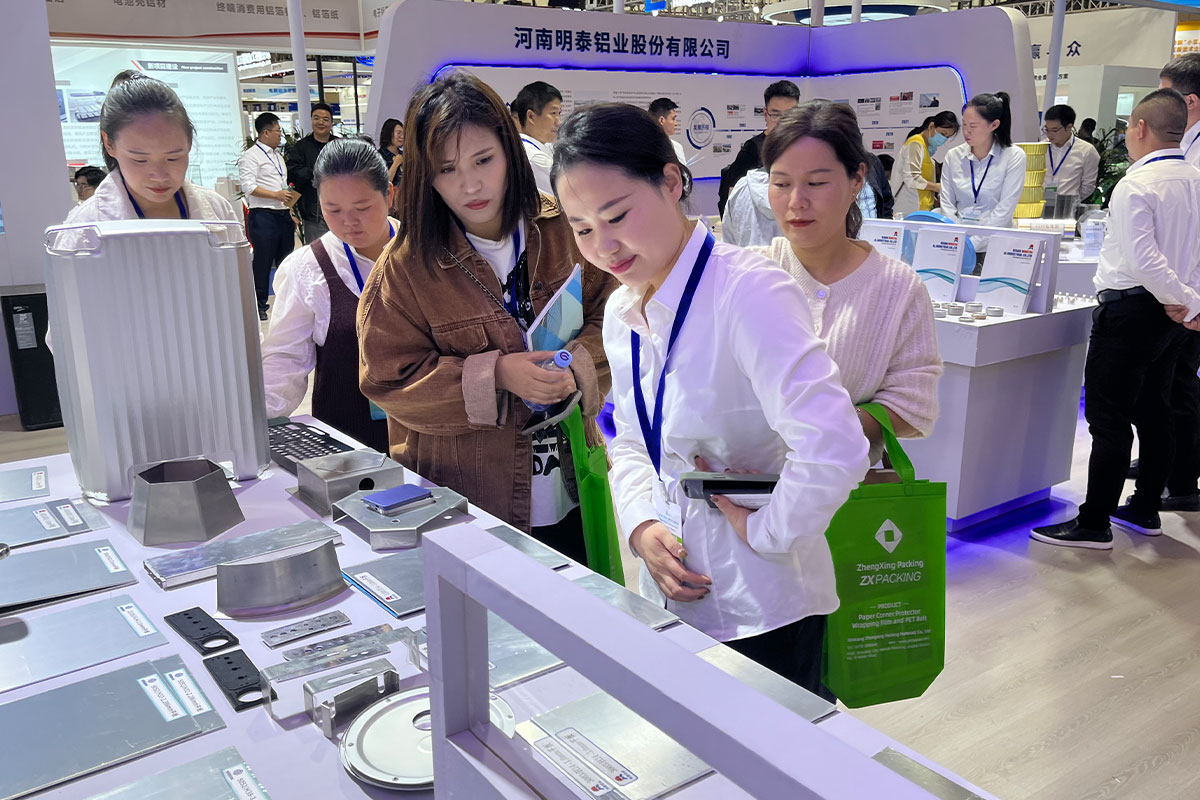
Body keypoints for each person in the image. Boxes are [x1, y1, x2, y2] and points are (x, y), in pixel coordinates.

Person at [551, 102, 869, 696]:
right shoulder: (622, 311)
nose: (604, 245)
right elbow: (630, 439)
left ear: (672, 182)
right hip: (669, 590)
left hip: (763, 605)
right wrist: (642, 525)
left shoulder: (748, 291)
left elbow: (835, 446)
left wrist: (768, 533)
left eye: (617, 215)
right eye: (583, 228)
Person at [358, 72, 617, 563]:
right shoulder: (406, 267)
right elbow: (388, 382)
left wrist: (577, 364)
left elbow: (617, 314)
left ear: (509, 151)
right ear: (425, 174)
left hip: (575, 481)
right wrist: (494, 375)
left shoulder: (561, 228)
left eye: (484, 160)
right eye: (447, 168)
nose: (471, 184)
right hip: (470, 497)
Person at [1032, 89, 1200, 549]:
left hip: (1131, 311)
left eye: (1128, 128)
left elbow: (1145, 261)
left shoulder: (1137, 184)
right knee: (1155, 411)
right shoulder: (1194, 178)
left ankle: (1093, 522)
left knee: (1109, 418)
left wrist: (1183, 300)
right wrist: (1190, 303)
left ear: (1140, 128)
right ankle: (1144, 508)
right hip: (1172, 316)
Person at [751, 101, 941, 457]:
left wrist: (831, 427)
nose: (797, 201)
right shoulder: (750, 274)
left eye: (816, 183)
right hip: (741, 487)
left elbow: (914, 406)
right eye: (781, 183)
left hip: (845, 486)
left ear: (856, 181)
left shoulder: (898, 288)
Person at [261, 138, 396, 452]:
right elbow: (285, 359)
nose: (349, 222)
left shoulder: (423, 252)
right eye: (333, 210)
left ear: (389, 194)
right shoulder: (307, 268)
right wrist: (257, 421)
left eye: (362, 208)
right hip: (348, 449)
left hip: (428, 443)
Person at [64, 73, 237, 227]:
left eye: (173, 158)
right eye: (140, 160)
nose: (160, 176)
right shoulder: (83, 226)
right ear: (109, 144)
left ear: (189, 142)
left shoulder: (218, 209)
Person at [1153, 53, 1200, 511]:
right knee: (1166, 384)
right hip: (1177, 289)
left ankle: (1183, 482)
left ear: (1189, 101)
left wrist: (1189, 297)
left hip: (1189, 293)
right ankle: (1164, 464)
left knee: (1181, 384)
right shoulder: (1185, 144)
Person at [940, 93, 1025, 247]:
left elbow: (1004, 210)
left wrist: (971, 245)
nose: (966, 131)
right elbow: (947, 204)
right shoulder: (953, 156)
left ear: (994, 125)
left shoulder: (1013, 156)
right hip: (957, 244)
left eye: (973, 126)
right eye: (964, 125)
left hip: (995, 245)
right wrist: (958, 241)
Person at [240, 112, 299, 320]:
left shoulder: (278, 156)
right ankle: (260, 305)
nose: (280, 135)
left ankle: (287, 303)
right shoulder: (251, 156)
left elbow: (282, 186)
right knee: (263, 262)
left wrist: (290, 211)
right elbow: (248, 187)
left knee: (286, 261)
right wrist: (275, 195)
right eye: (277, 131)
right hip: (263, 215)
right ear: (265, 132)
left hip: (283, 215)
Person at [717, 80, 801, 216]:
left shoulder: (805, 147)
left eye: (790, 115)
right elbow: (732, 201)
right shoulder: (753, 150)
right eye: (776, 115)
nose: (783, 122)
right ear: (766, 114)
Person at [891, 111, 959, 217]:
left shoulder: (926, 149)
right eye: (942, 134)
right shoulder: (915, 143)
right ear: (931, 126)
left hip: (921, 208)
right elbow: (912, 178)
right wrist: (936, 187)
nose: (944, 139)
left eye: (947, 137)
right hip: (908, 208)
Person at [287, 103, 339, 243]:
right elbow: (292, 172)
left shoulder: (340, 145)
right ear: (311, 120)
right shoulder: (301, 147)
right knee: (318, 251)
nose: (320, 122)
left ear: (331, 123)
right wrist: (315, 172)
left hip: (340, 210)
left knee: (342, 250)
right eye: (316, 118)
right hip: (313, 212)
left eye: (325, 119)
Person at [1042, 104, 1100, 203]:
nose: (1049, 134)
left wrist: (1071, 202)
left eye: (1054, 130)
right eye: (1047, 129)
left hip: (1068, 206)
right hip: (1040, 205)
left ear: (1069, 127)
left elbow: (1088, 186)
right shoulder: (1041, 148)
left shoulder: (1087, 151)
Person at [512, 81, 562, 195]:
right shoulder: (534, 158)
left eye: (559, 113)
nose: (558, 122)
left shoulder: (543, 146)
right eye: (553, 113)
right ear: (531, 116)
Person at [649, 97, 687, 165]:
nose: (676, 123)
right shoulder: (643, 147)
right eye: (673, 119)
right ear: (661, 120)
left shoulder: (677, 147)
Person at [378, 116, 404, 186]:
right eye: (399, 133)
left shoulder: (404, 155)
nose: (402, 136)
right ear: (389, 134)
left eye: (403, 133)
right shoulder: (378, 156)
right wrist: (395, 164)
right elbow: (383, 184)